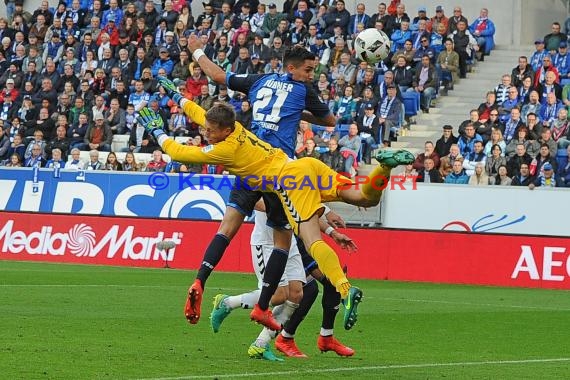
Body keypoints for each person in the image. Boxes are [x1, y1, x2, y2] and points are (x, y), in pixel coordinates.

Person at [137, 97, 413, 328]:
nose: (206, 133)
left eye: (210, 130)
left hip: (288, 182)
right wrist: (182, 100)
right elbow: (203, 115)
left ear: (223, 130)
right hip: (305, 165)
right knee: (363, 197)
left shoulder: (225, 149)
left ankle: (344, 290)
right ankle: (385, 169)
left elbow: (179, 152)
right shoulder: (236, 130)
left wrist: (157, 131)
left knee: (311, 239)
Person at [180, 41, 337, 330]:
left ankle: (200, 279)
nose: (312, 75)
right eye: (308, 70)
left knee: (226, 227)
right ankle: (263, 306)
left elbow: (217, 76)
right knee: (283, 239)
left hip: (248, 158)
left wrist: (198, 50)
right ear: (292, 68)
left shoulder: (259, 80)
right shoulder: (303, 91)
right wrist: (299, 112)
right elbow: (329, 120)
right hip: (277, 170)